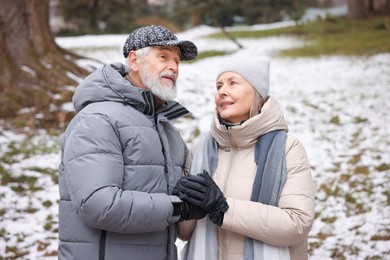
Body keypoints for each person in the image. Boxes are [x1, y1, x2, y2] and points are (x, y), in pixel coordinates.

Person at [58, 25, 207, 260]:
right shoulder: (98, 119)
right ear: (134, 61)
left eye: (177, 61)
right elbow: (98, 205)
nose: (173, 67)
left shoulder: (167, 130)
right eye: (163, 56)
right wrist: (179, 208)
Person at [173, 58, 316, 260]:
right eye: (219, 85)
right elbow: (184, 233)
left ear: (257, 94)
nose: (222, 91)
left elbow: (297, 224)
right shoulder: (200, 150)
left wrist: (223, 209)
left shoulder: (287, 148)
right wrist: (186, 206)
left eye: (233, 83)